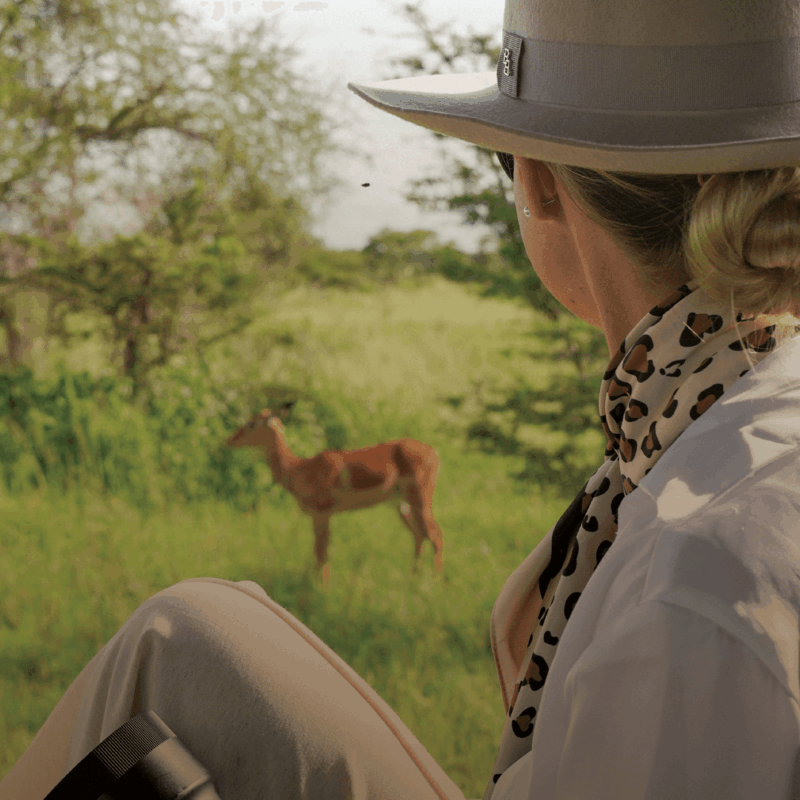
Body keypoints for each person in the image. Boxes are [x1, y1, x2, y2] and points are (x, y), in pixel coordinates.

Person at [5, 0, 800, 797]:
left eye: (508, 162)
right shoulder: (724, 414)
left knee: (168, 642)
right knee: (187, 638)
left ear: (539, 182)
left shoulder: (690, 579)